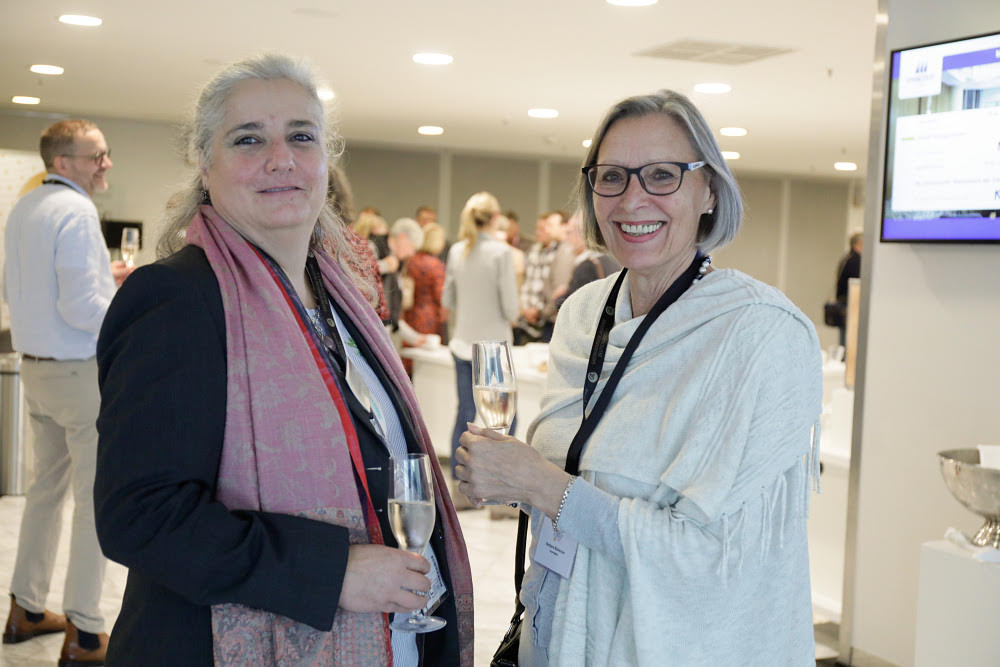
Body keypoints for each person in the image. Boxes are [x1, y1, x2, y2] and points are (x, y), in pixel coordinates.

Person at [93, 53, 473, 666]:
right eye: (248, 139)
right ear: (204, 162)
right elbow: (138, 516)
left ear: (327, 157)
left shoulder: (341, 296)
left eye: (302, 136)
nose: (281, 159)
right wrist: (334, 572)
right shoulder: (176, 297)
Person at [455, 90, 822, 665]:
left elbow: (714, 558)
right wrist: (513, 479)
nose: (632, 199)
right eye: (612, 177)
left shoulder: (760, 335)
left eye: (662, 175)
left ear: (709, 190)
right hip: (557, 638)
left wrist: (542, 486)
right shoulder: (583, 314)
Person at [2, 119, 133, 665]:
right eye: (96, 155)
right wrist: (126, 309)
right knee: (92, 500)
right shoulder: (77, 211)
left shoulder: (26, 206)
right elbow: (81, 308)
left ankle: (26, 609)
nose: (106, 164)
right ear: (63, 163)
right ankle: (84, 631)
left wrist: (104, 279)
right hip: (80, 375)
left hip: (36, 369)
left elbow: (23, 287)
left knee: (45, 493)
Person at [442, 192, 519, 507]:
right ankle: (500, 494)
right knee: (503, 421)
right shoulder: (502, 252)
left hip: (462, 343)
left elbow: (447, 299)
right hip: (494, 349)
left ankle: (459, 489)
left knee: (464, 414)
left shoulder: (457, 250)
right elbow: (511, 308)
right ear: (496, 218)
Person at [516, 211, 573, 344]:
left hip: (548, 317)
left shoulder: (562, 252)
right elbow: (526, 282)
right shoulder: (533, 251)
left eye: (548, 226)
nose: (542, 231)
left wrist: (541, 311)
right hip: (527, 318)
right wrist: (524, 309)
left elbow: (558, 290)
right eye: (540, 228)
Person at [553, 211, 620, 310]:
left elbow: (577, 309)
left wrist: (559, 298)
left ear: (583, 235)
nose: (566, 239)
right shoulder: (609, 260)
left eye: (569, 233)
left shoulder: (586, 267)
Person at [833, 231, 862, 346]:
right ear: (859, 243)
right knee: (848, 340)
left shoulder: (846, 258)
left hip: (844, 303)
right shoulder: (855, 261)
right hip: (850, 305)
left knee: (844, 338)